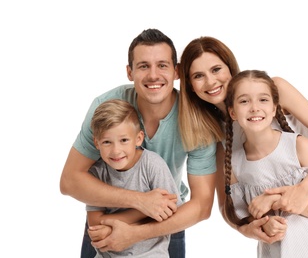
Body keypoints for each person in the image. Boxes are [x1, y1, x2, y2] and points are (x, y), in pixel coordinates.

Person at [178, 36, 308, 257]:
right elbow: (226, 204)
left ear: (230, 67)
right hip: (294, 228)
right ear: (190, 86)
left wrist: (303, 192)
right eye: (199, 76)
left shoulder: (271, 89)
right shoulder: (214, 134)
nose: (211, 82)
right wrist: (247, 228)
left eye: (216, 69)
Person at [60, 29, 217, 258]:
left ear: (176, 71)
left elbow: (202, 206)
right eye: (143, 66)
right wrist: (140, 201)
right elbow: (69, 181)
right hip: (105, 222)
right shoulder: (106, 107)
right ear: (129, 72)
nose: (153, 75)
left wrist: (135, 233)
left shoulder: (196, 120)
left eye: (162, 65)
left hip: (166, 220)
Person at [223, 69, 308, 257]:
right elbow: (247, 216)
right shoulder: (235, 165)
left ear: (274, 109)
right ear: (232, 112)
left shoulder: (299, 147)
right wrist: (265, 224)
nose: (254, 107)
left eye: (263, 100)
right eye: (244, 101)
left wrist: (276, 200)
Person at [87, 99, 183, 257]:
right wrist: (146, 208)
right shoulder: (96, 174)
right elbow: (95, 226)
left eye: (124, 140)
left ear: (138, 138)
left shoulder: (152, 164)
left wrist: (111, 223)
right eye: (107, 142)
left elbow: (170, 208)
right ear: (97, 143)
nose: (116, 151)